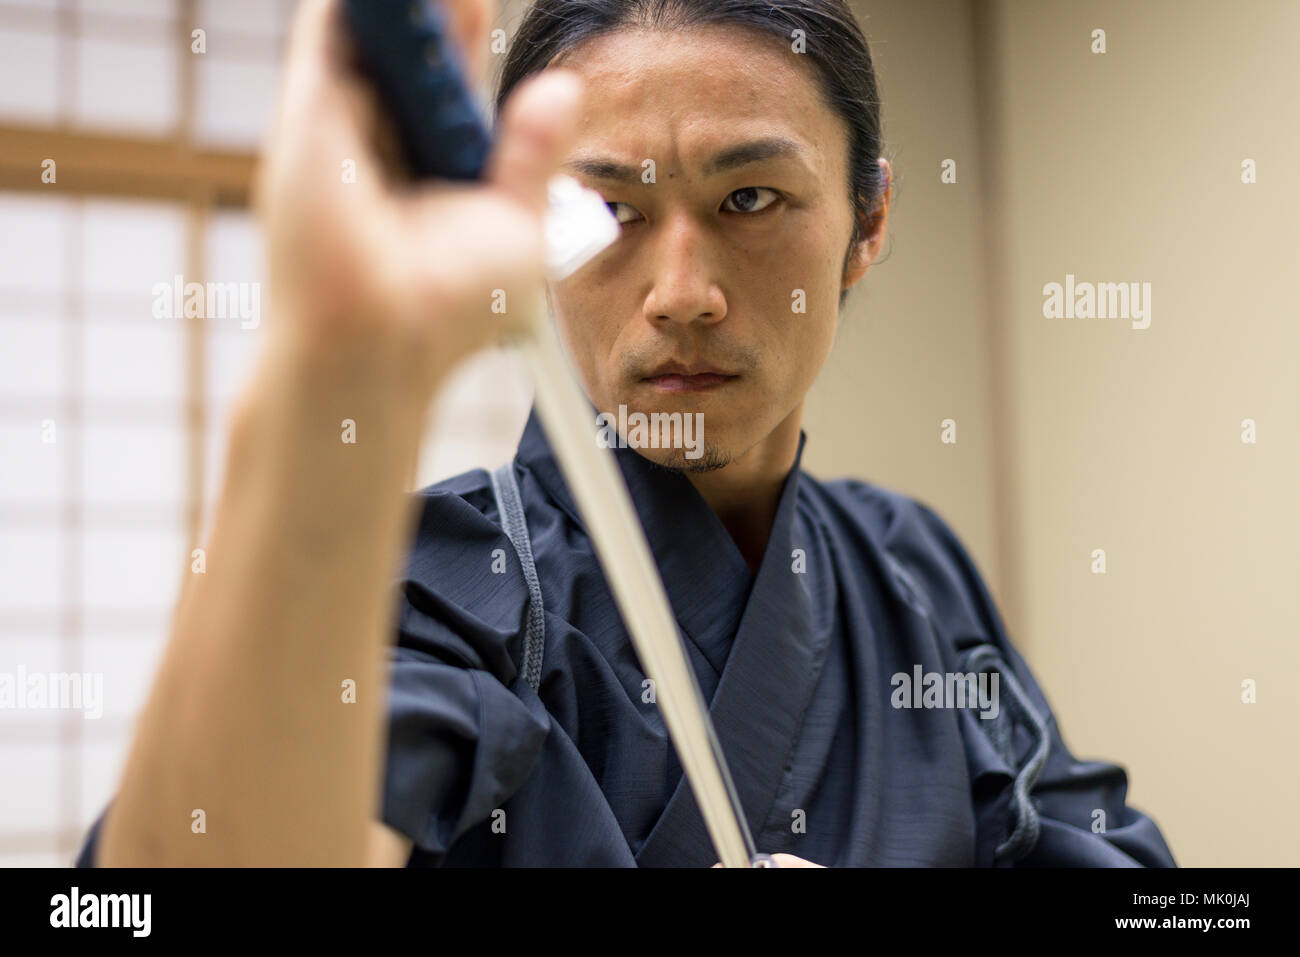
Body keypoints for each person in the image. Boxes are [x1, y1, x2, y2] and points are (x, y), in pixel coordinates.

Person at [76, 0, 1175, 867]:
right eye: (608, 210)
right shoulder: (452, 582)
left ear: (869, 220)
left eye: (749, 199)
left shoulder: (912, 569)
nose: (681, 293)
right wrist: (334, 370)